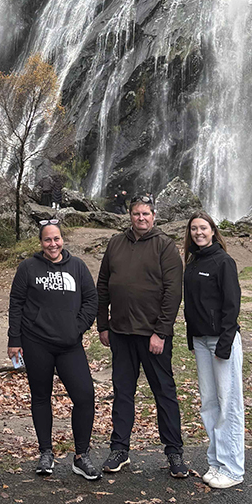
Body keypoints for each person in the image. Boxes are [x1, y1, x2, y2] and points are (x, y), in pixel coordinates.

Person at [96, 194, 188, 478]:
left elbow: (173, 293)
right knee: (123, 393)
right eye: (136, 214)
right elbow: (102, 286)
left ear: (154, 216)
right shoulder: (115, 243)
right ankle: (119, 449)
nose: (141, 218)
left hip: (153, 337)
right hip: (121, 333)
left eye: (146, 214)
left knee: (164, 393)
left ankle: (174, 452)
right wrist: (103, 325)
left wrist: (161, 332)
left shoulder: (166, 246)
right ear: (130, 215)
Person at [7, 220, 101, 480]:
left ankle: (81, 456)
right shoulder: (28, 268)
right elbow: (16, 303)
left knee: (84, 396)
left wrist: (77, 328)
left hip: (70, 344)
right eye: (47, 240)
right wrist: (14, 339)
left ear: (63, 240)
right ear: (41, 242)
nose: (53, 244)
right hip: (36, 342)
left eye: (56, 239)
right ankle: (45, 452)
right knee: (41, 397)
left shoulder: (78, 267)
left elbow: (91, 300)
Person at [182, 212, 244, 489]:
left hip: (221, 340)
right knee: (209, 403)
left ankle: (233, 468)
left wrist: (225, 342)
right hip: (201, 341)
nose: (198, 232)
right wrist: (190, 338)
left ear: (213, 230)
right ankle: (216, 462)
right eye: (194, 229)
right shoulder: (193, 263)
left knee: (228, 404)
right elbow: (191, 306)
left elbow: (232, 304)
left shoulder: (223, 262)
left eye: (203, 228)